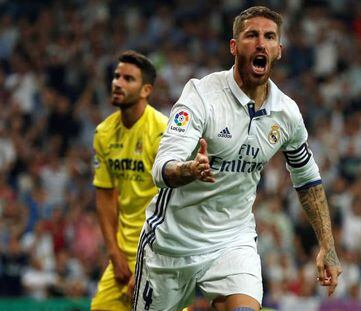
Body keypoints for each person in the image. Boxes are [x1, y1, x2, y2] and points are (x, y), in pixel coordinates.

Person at [133, 6, 342, 311]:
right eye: (251, 35)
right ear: (234, 47)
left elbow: (307, 179)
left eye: (269, 37)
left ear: (279, 51)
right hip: (171, 244)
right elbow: (162, 168)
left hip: (232, 241)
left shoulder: (286, 113)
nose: (261, 43)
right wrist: (189, 169)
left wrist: (327, 244)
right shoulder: (201, 96)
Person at [91, 50, 167, 310]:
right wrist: (114, 253)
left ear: (146, 90)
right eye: (116, 76)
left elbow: (176, 202)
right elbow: (104, 196)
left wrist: (149, 268)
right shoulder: (104, 133)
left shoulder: (163, 132)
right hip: (123, 256)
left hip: (162, 253)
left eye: (128, 79)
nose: (117, 83)